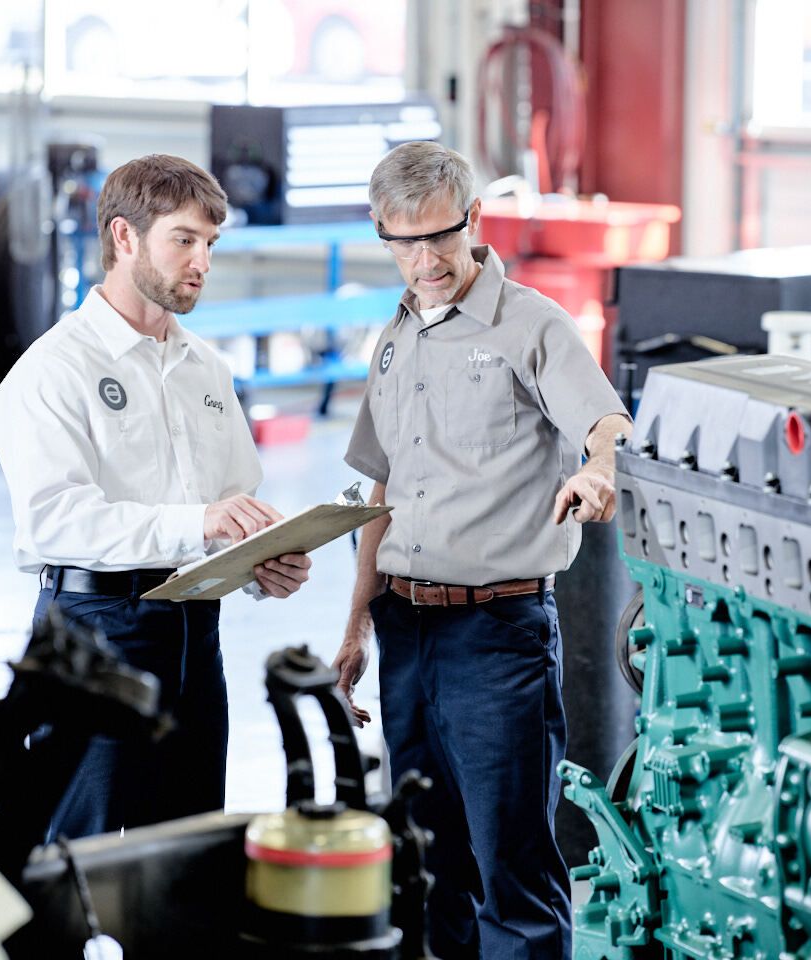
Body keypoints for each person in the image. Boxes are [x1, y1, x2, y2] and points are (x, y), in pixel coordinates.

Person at [333, 141, 631, 960]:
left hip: (496, 639)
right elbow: (379, 493)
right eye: (405, 241)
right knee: (426, 866)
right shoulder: (392, 342)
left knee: (514, 870)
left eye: (442, 236)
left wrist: (599, 471)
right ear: (382, 234)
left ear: (473, 220)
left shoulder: (529, 325)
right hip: (405, 632)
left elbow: (606, 423)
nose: (425, 260)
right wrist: (358, 624)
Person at [0, 154, 312, 842]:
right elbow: (55, 519)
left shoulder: (205, 368)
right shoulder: (51, 372)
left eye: (211, 244)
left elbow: (231, 502)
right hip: (95, 634)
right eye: (184, 239)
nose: (202, 261)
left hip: (197, 636)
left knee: (185, 859)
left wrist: (262, 562)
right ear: (125, 237)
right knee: (80, 862)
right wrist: (200, 524)